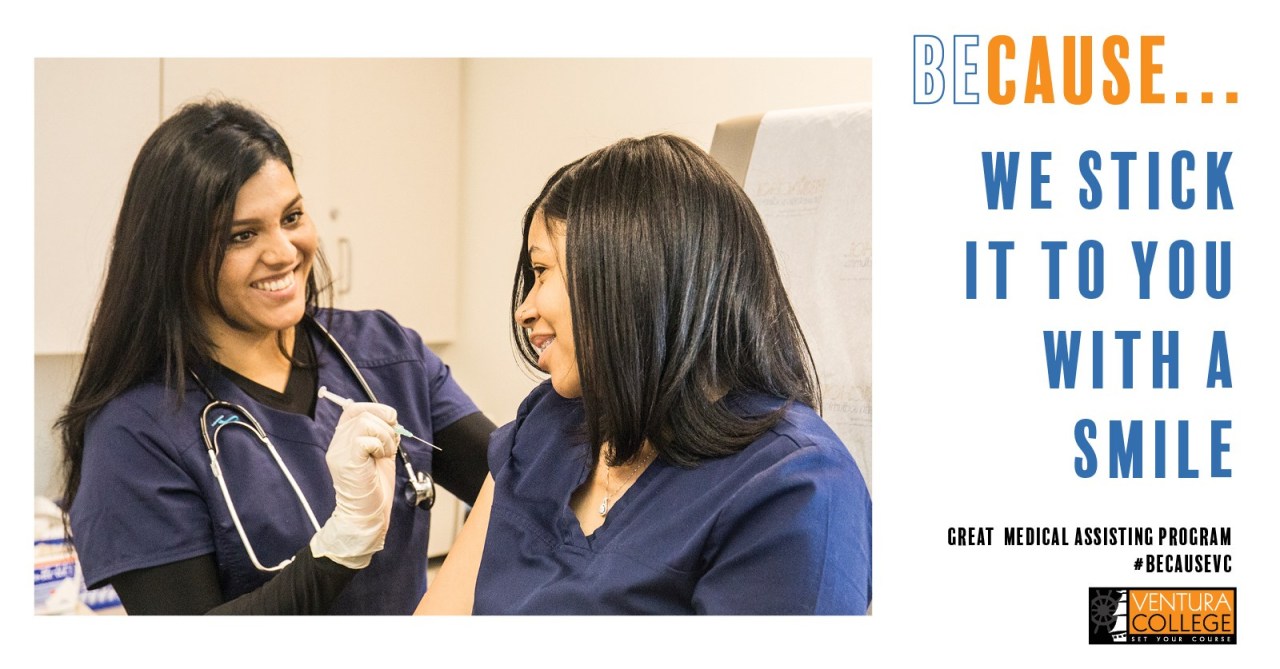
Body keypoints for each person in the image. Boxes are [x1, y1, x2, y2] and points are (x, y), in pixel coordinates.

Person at [57, 100, 495, 615]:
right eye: (242, 235)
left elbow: (516, 480)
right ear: (174, 255)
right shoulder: (135, 433)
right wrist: (341, 546)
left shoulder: (386, 354)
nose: (284, 252)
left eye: (291, 217)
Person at [418, 134, 871, 615]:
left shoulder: (793, 487)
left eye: (542, 270)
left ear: (630, 276)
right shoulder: (548, 426)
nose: (524, 310)